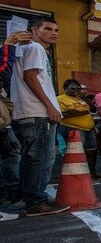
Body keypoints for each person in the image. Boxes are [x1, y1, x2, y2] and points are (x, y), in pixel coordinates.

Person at [7, 20, 70, 216]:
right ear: (34, 30)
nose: (54, 33)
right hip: (36, 111)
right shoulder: (35, 48)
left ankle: (24, 198)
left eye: (56, 30)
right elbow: (31, 77)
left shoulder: (22, 50)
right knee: (40, 158)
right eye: (48, 29)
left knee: (31, 157)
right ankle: (36, 202)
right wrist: (50, 106)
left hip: (25, 111)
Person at [57, 79, 99, 179]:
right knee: (76, 152)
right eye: (73, 88)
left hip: (89, 129)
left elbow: (92, 110)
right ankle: (76, 175)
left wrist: (85, 99)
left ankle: (91, 173)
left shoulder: (80, 99)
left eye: (78, 88)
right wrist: (78, 112)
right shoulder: (60, 99)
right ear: (66, 88)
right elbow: (61, 114)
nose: (75, 90)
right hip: (73, 129)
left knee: (92, 151)